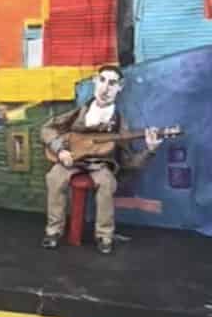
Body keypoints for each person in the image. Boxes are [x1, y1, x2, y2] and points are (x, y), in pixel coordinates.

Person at [40, 66, 165, 255]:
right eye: (103, 81)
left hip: (100, 165)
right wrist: (60, 150)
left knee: (107, 183)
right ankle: (53, 231)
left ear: (119, 87)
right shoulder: (78, 113)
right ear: (95, 82)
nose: (106, 88)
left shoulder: (119, 123)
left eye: (112, 83)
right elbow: (47, 130)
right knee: (54, 177)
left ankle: (104, 235)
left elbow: (130, 162)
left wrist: (150, 149)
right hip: (72, 160)